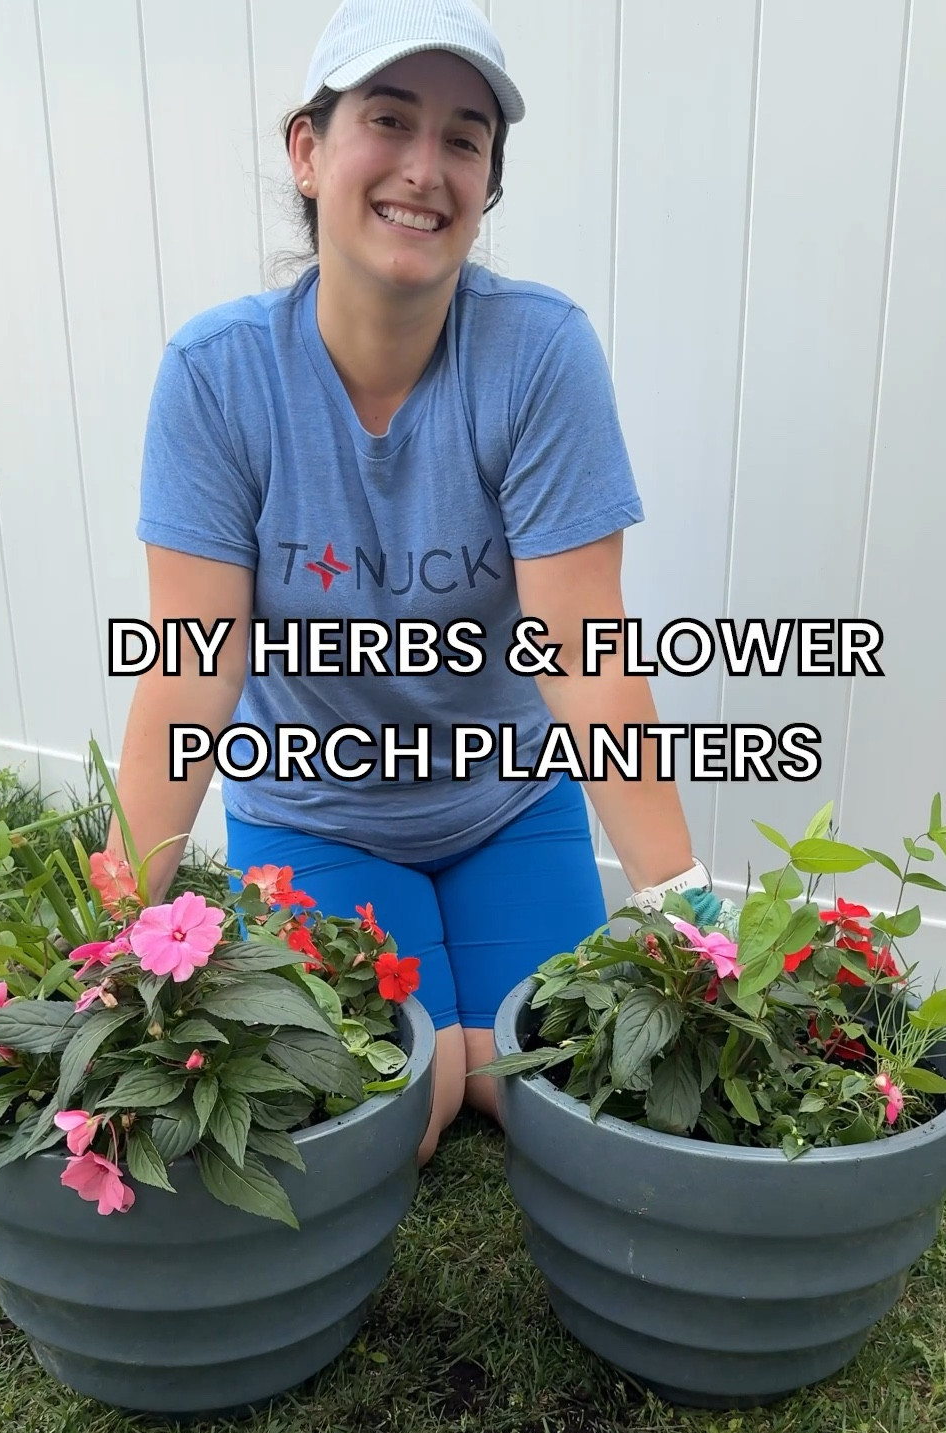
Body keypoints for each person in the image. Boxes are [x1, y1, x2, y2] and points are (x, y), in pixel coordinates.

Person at [115, 0, 709, 1167]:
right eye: (388, 120)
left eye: (463, 138)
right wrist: (117, 938)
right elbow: (188, 676)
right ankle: (442, 1053)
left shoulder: (539, 356)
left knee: (557, 1092)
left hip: (506, 805)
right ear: (309, 150)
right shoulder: (216, 377)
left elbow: (585, 650)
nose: (425, 168)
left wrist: (683, 913)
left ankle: (477, 1029)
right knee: (401, 1114)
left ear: (487, 183)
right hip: (315, 814)